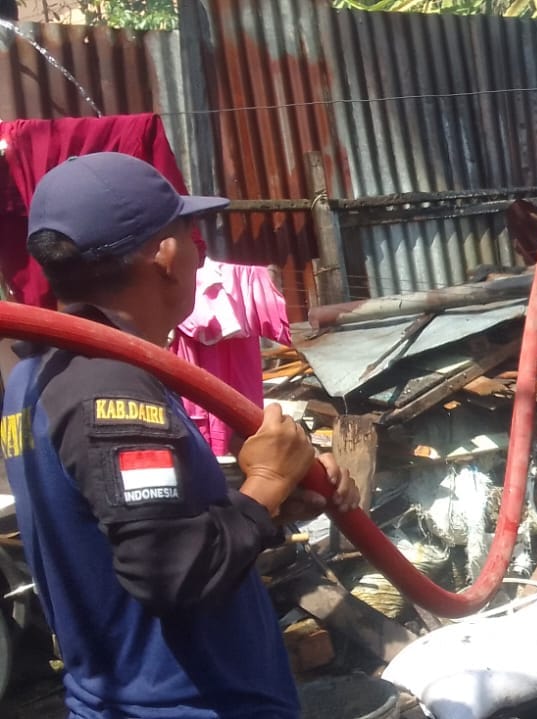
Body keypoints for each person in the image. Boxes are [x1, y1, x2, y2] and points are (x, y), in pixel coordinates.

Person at [0, 152, 359, 717]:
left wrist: (268, 503)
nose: (198, 254)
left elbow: (122, 522)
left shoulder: (37, 375)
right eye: (192, 238)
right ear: (165, 255)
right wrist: (267, 480)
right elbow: (171, 569)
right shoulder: (108, 388)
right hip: (184, 706)